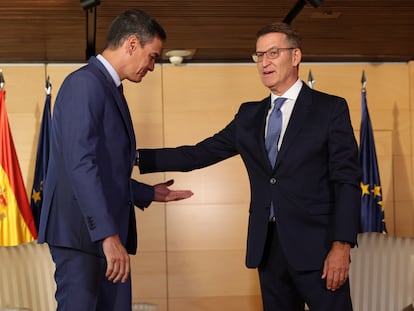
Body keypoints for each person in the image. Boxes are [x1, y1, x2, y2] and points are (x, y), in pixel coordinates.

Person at [138, 22, 361, 311]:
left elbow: (347, 180)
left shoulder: (329, 109)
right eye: (259, 55)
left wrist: (341, 245)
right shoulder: (249, 116)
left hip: (319, 250)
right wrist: (134, 157)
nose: (264, 62)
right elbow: (198, 154)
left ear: (295, 57)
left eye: (272, 53)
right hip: (267, 250)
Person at [37, 9, 193, 311]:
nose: (152, 66)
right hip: (84, 234)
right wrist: (107, 235)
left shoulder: (109, 88)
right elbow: (80, 164)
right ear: (132, 44)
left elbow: (104, 170)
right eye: (152, 56)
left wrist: (148, 193)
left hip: (103, 232)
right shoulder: (85, 84)